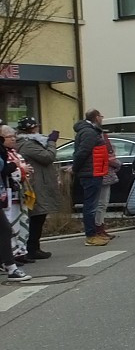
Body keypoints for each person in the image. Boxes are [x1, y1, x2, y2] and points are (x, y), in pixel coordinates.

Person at [15, 118, 61, 260]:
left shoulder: (32, 142)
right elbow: (48, 157)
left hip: (40, 183)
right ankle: (31, 248)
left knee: (38, 216)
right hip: (37, 185)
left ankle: (33, 247)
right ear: (31, 129)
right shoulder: (28, 144)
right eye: (36, 127)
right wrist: (52, 142)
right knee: (36, 216)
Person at [71, 108, 110, 246]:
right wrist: (75, 168)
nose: (102, 119)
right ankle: (91, 236)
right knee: (91, 206)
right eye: (101, 116)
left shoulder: (90, 131)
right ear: (95, 117)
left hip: (94, 171)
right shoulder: (89, 132)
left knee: (92, 204)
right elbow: (83, 152)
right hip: (91, 172)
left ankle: (93, 234)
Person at [2, 126, 32, 263]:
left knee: (22, 222)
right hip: (9, 193)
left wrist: (26, 170)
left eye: (14, 136)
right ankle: (11, 255)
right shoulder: (4, 153)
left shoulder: (14, 152)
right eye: (9, 136)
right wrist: (20, 169)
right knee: (11, 224)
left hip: (20, 192)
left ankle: (21, 251)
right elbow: (7, 170)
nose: (13, 138)